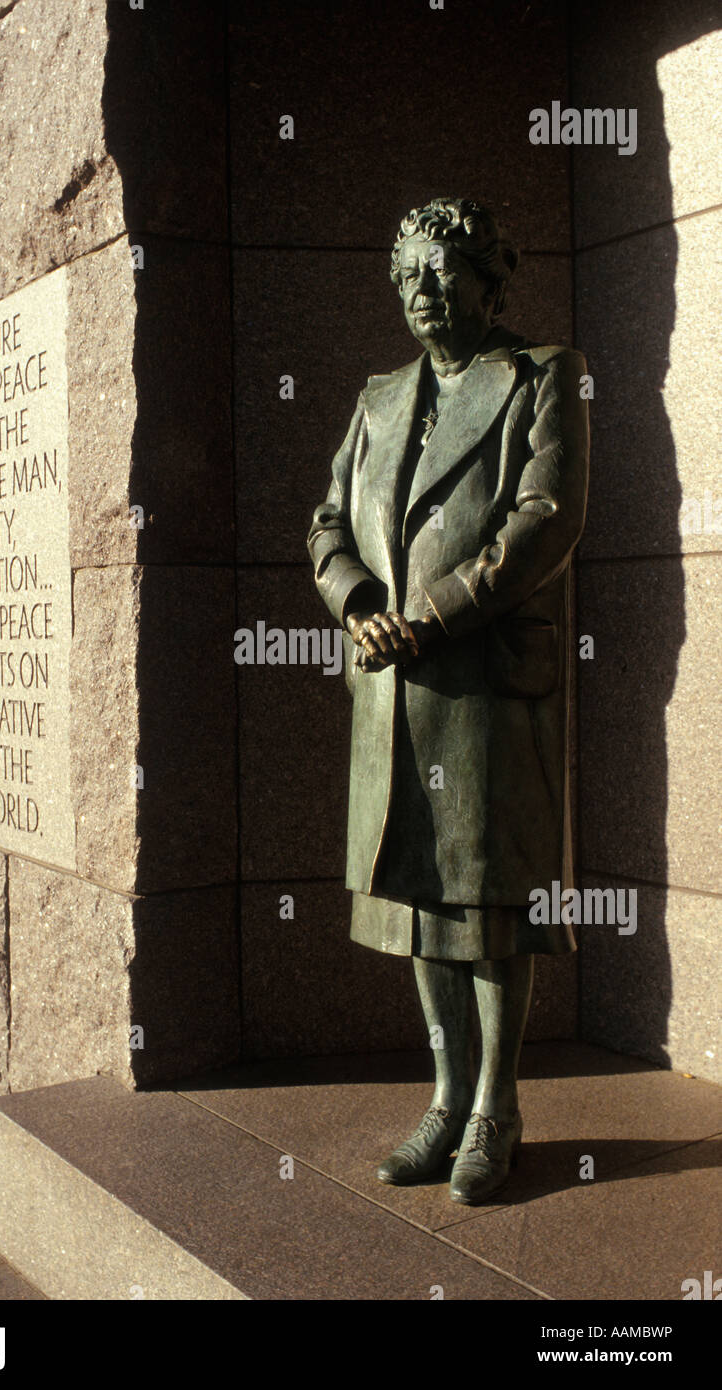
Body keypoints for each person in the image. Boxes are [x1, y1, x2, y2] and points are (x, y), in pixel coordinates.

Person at [308, 196, 589, 1204]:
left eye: (443, 271)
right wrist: (355, 605)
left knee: (488, 906)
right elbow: (328, 523)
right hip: (392, 693)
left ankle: (494, 1111)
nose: (422, 293)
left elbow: (542, 522)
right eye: (407, 277)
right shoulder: (379, 397)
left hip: (482, 685)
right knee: (420, 905)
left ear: (487, 278)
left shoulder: (541, 375)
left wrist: (425, 615)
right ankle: (444, 1096)